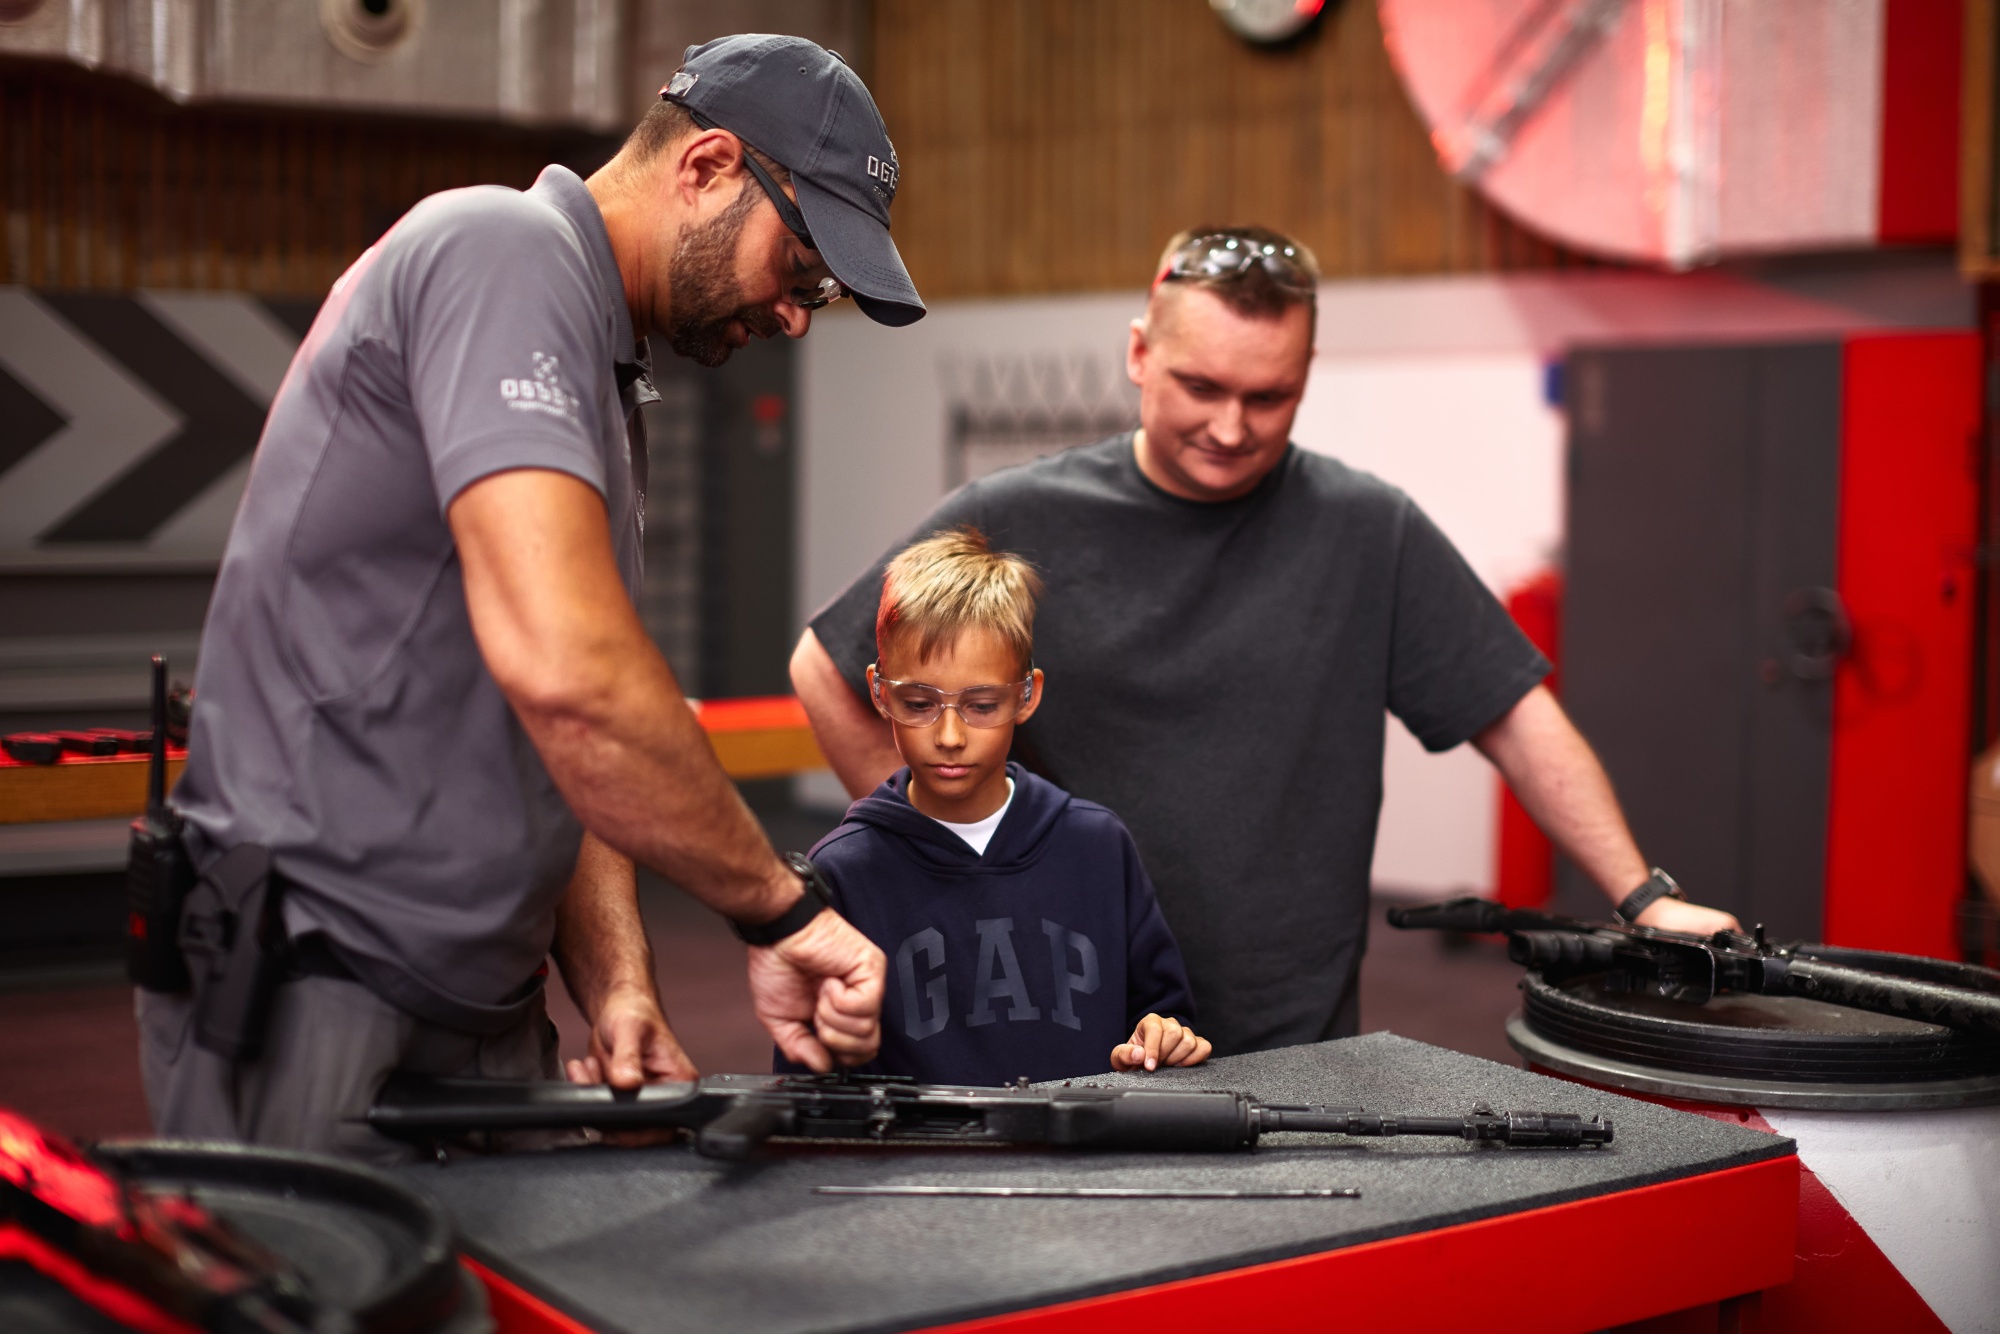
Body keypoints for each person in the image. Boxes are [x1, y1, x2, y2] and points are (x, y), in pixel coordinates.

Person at [142, 34, 918, 1162]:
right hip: (320, 975)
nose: (796, 316)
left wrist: (615, 982)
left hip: (478, 997)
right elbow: (577, 683)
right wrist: (780, 909)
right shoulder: (498, 250)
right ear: (705, 165)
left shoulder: (603, 368)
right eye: (798, 271)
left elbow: (560, 734)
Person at [793, 225, 1741, 1059]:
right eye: (1200, 386)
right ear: (1138, 354)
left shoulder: (1369, 528)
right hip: (1080, 1025)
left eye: (1269, 397)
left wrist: (1642, 896)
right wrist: (939, 853)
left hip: (1292, 1031)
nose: (1231, 427)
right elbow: (825, 664)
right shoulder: (1015, 516)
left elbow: (1517, 717)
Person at [786, 528, 1209, 1084]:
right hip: (922, 1168)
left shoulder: (1097, 845)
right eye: (919, 703)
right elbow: (806, 1076)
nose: (951, 735)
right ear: (879, 692)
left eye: (982, 705)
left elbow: (1164, 1016)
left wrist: (1161, 1037)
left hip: (1083, 1162)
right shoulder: (843, 872)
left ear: (1026, 695)